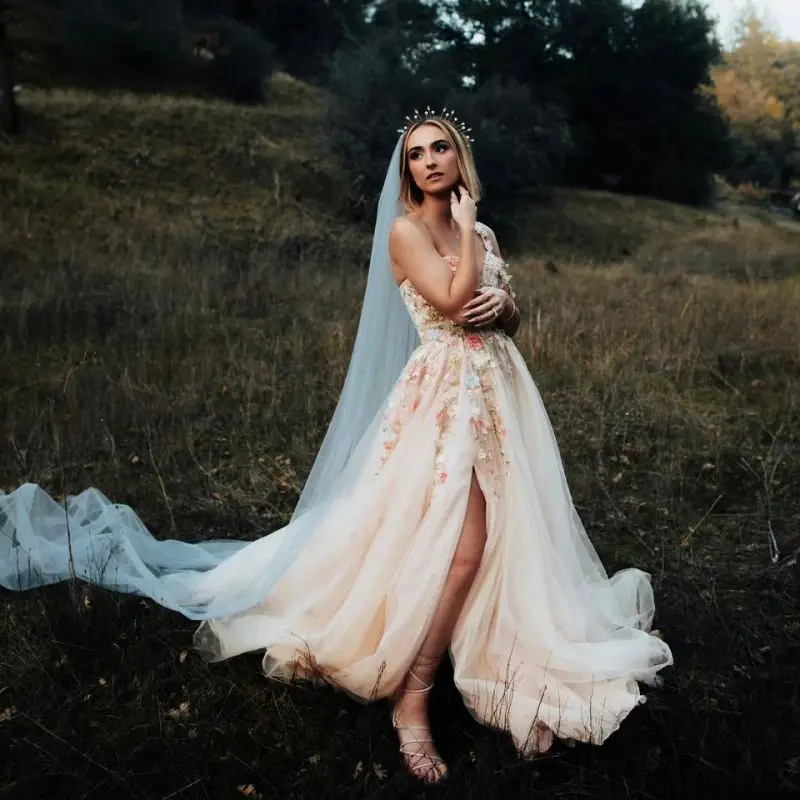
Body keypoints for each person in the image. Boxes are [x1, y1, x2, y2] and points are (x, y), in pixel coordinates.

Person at [0, 110, 673, 785]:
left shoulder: (487, 231)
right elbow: (451, 296)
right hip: (442, 399)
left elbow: (503, 311)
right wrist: (466, 235)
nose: (431, 161)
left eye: (442, 148)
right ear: (406, 169)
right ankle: (411, 701)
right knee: (464, 544)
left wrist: (507, 310)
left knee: (503, 535)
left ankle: (497, 655)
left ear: (460, 157)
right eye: (417, 154)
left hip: (499, 394)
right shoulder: (407, 232)